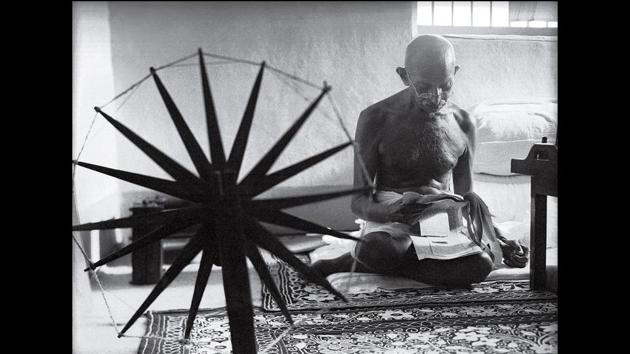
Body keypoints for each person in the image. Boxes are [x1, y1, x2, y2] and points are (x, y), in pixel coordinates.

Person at [311, 35, 528, 288]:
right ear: (404, 76)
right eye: (424, 86)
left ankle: (372, 264)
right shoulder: (376, 118)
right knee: (378, 248)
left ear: (455, 73)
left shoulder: (464, 123)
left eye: (445, 85)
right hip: (392, 222)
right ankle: (363, 260)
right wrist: (390, 211)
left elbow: (467, 195)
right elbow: (358, 202)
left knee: (482, 264)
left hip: (443, 222)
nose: (436, 96)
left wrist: (497, 236)